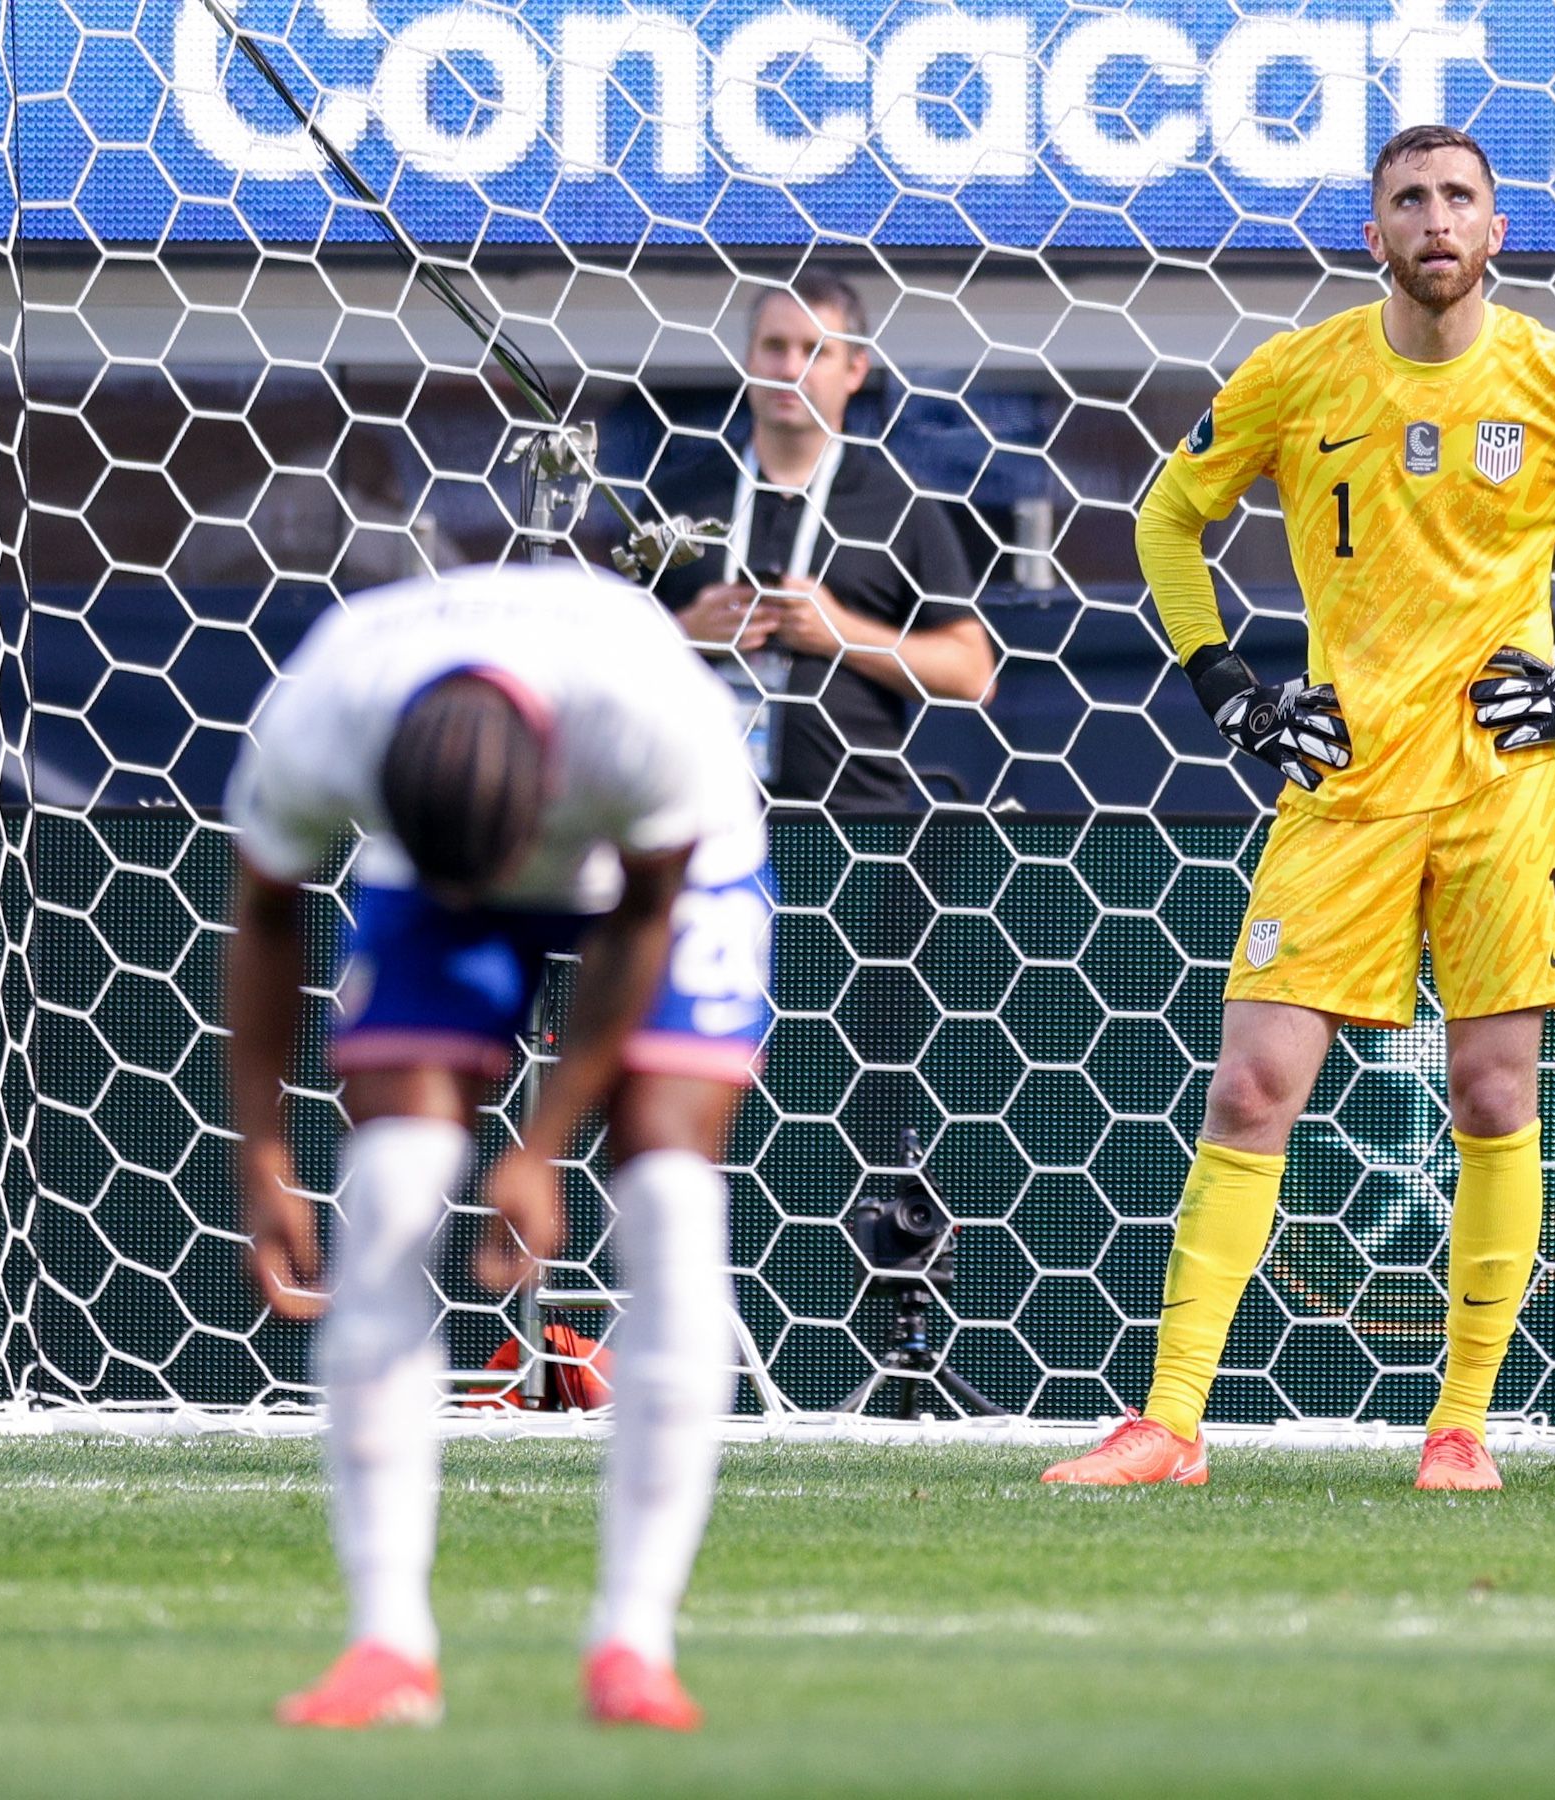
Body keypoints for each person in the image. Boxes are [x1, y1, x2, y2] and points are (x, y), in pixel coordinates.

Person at [1041, 124, 1555, 1493]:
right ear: (1371, 232)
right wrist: (1226, 688)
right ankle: (1170, 1423)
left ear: (1496, 230)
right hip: (1344, 786)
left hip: (1501, 791)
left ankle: (1459, 1429)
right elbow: (1163, 519)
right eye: (1409, 199)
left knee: (1492, 1095)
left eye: (1458, 198)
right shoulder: (1299, 373)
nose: (1435, 218)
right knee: (1251, 1086)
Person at [223, 563, 773, 1730]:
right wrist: (262, 1154)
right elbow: (266, 912)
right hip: (429, 879)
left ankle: (633, 1644)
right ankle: (387, 1647)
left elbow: (641, 914)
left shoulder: (650, 723)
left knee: (670, 1200)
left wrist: (542, 1143)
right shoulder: (325, 711)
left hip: (668, 870)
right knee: (387, 1196)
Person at [648, 269, 994, 809]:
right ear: (748, 358)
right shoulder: (678, 498)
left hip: (853, 823)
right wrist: (685, 632)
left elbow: (973, 674)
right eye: (774, 347)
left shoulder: (900, 505)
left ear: (856, 370)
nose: (790, 369)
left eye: (815, 351)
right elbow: (603, 655)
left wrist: (842, 634)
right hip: (697, 816)